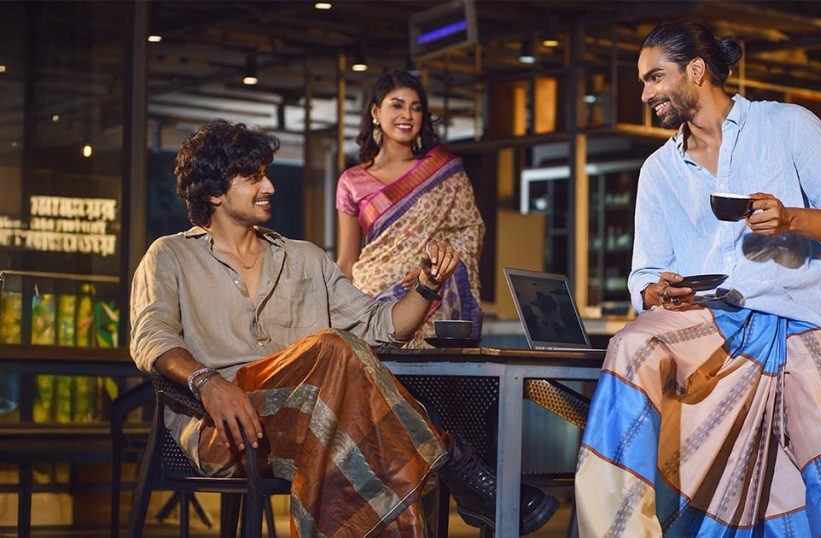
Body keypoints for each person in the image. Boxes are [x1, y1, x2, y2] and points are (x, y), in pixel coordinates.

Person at [130, 120, 557, 536]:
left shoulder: (305, 259)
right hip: (228, 427)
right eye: (253, 178)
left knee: (373, 454)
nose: (270, 188)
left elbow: (381, 327)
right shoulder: (169, 256)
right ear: (213, 192)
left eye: (267, 175)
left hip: (317, 422)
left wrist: (427, 285)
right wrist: (207, 382)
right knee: (334, 350)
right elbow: (151, 336)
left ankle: (441, 459)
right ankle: (450, 458)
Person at [574, 21, 821, 537]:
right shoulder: (659, 171)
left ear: (696, 71)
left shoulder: (786, 126)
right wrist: (656, 292)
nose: (645, 93)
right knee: (632, 346)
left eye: (654, 78)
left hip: (797, 321)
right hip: (710, 323)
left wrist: (791, 220)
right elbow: (645, 273)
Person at [336, 71, 484, 347]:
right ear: (376, 112)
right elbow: (346, 260)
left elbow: (470, 232)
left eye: (416, 108)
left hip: (432, 298)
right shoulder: (352, 180)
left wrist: (434, 271)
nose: (407, 114)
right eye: (397, 105)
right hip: (371, 301)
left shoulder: (445, 171)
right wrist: (338, 314)